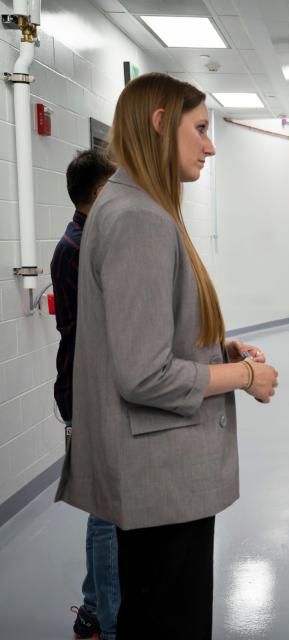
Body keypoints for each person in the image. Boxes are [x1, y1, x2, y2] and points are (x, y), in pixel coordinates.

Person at [54, 72, 278, 639]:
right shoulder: (139, 219)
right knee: (168, 620)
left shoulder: (133, 206)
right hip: (162, 479)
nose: (209, 144)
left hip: (156, 480)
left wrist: (216, 348)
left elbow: (138, 336)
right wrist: (244, 374)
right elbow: (144, 374)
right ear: (160, 124)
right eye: (199, 128)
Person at [52, 150, 118, 640]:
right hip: (86, 389)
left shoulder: (86, 240)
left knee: (107, 505)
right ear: (98, 193)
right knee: (107, 507)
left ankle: (96, 607)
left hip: (91, 386)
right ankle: (107, 620)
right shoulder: (77, 248)